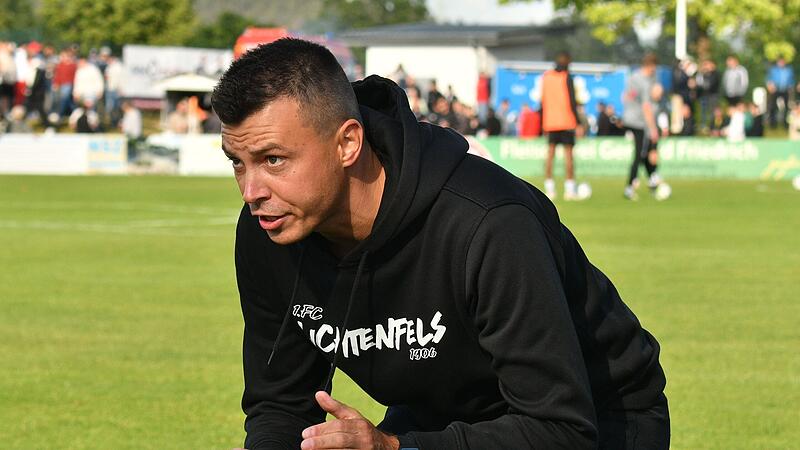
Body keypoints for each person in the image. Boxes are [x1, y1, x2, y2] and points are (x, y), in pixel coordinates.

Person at [213, 38, 668, 450]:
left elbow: (560, 429)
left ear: (348, 142)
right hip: (437, 414)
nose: (251, 190)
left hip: (595, 421)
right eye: (239, 163)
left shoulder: (488, 223)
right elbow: (280, 406)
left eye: (273, 160)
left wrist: (395, 448)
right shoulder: (268, 229)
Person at [539, 51, 581, 200]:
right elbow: (572, 101)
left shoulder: (546, 77)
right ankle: (570, 190)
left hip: (550, 122)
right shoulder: (566, 77)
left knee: (550, 155)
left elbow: (542, 101)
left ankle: (549, 189)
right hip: (566, 120)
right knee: (568, 156)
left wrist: (542, 123)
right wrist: (578, 122)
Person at [622, 54, 664, 200]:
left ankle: (653, 181)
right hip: (639, 122)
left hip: (630, 118)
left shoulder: (633, 77)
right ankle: (630, 186)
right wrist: (653, 129)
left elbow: (626, 97)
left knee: (644, 153)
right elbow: (646, 107)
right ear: (651, 66)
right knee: (640, 153)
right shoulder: (645, 81)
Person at [766, 57, 795, 129]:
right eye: (780, 62)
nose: (781, 63)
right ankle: (772, 124)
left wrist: (791, 87)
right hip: (775, 89)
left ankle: (786, 124)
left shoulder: (789, 70)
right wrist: (770, 86)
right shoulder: (773, 70)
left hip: (785, 90)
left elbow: (792, 80)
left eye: (782, 62)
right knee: (772, 106)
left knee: (787, 107)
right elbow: (768, 79)